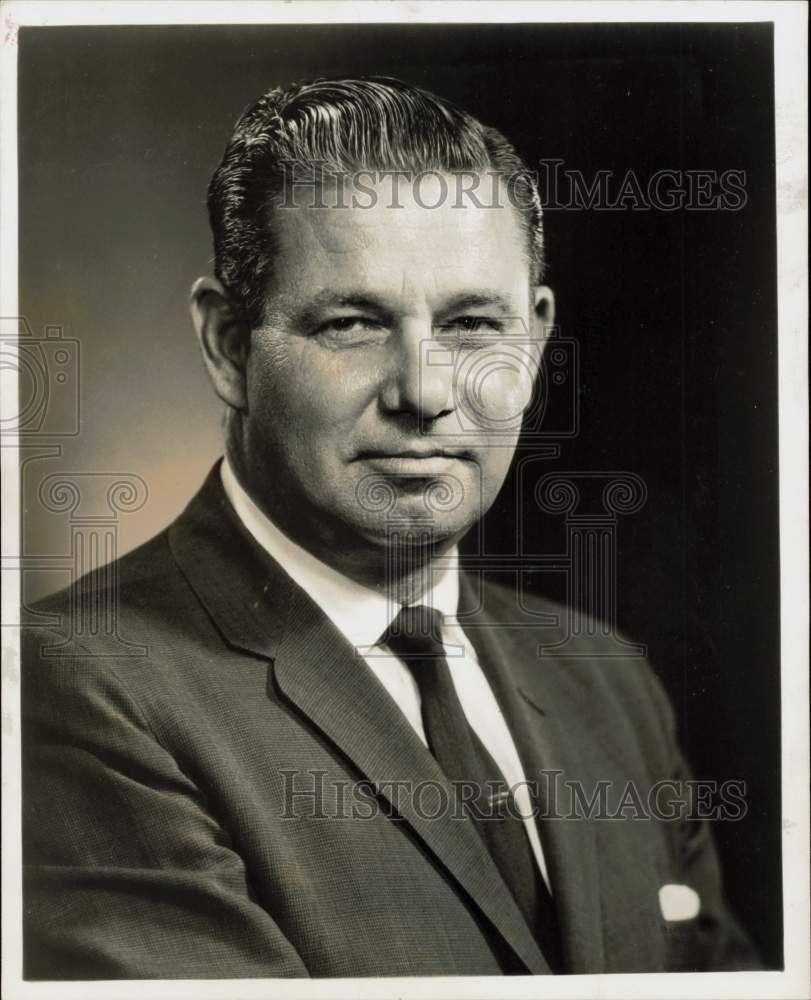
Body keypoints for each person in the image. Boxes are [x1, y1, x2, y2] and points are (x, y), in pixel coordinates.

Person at [21, 76, 759, 979]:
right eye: (353, 323)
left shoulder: (606, 682)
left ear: (531, 342)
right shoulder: (75, 689)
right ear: (227, 346)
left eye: (471, 324)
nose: (426, 392)